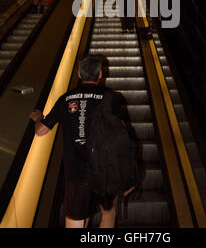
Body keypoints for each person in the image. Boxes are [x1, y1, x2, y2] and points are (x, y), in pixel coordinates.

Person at [30, 56, 134, 228]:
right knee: (108, 213)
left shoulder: (66, 98)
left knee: (76, 222)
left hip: (76, 173)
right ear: (100, 74)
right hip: (104, 172)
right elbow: (122, 137)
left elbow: (41, 131)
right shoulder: (110, 98)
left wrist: (38, 118)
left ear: (78, 73)